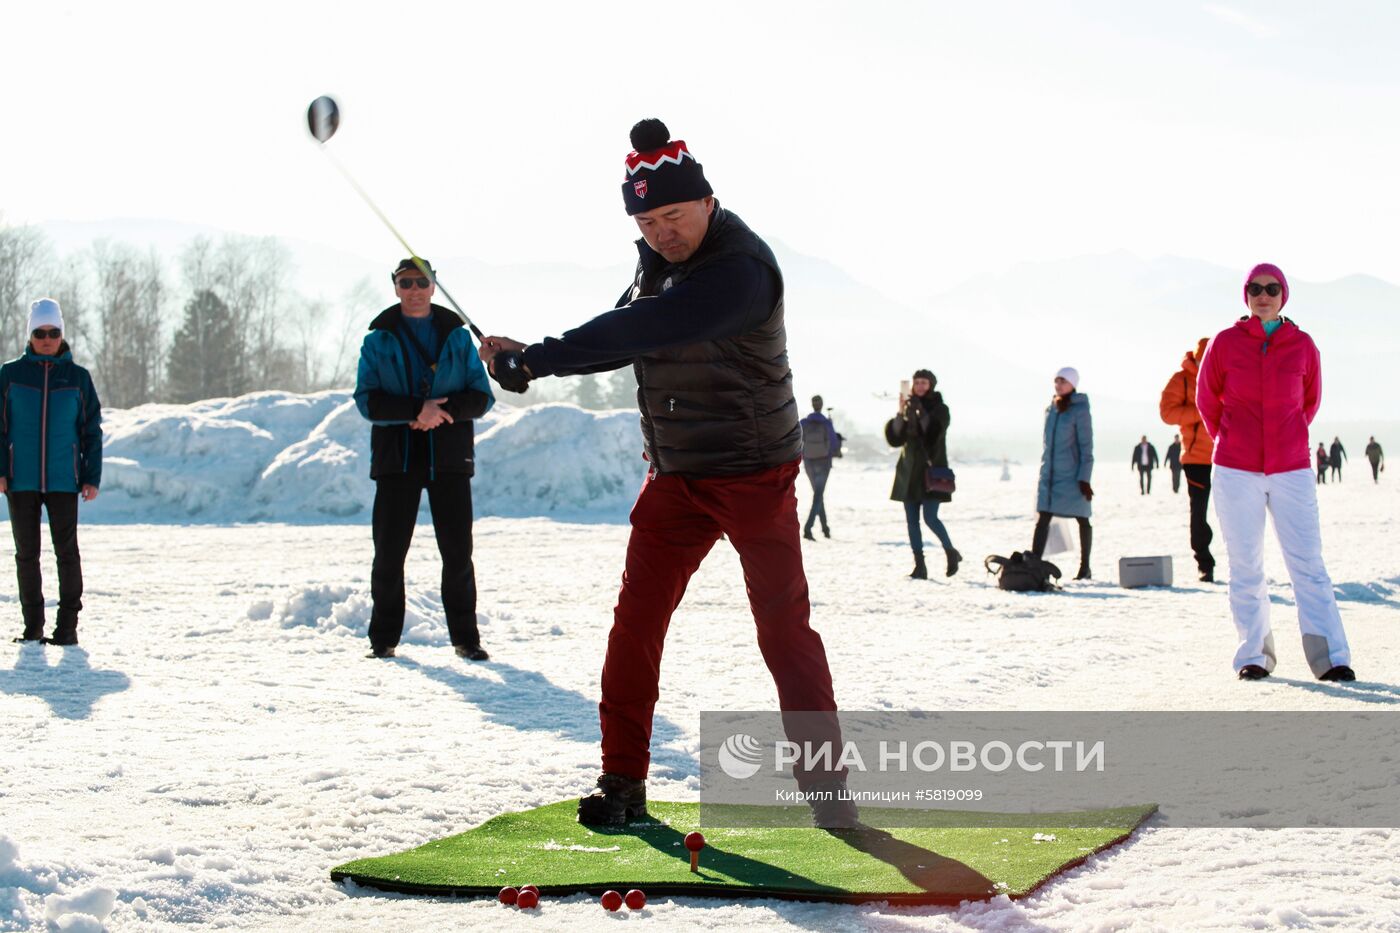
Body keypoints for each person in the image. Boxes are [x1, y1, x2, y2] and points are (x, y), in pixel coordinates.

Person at [477, 119, 853, 828]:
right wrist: (526, 355)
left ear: (708, 201)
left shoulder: (740, 270)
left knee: (782, 627)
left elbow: (644, 328)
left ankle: (828, 790)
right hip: (677, 475)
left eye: (673, 216)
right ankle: (622, 781)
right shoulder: (655, 265)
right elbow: (618, 332)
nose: (661, 233)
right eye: (647, 221)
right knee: (635, 623)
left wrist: (540, 359)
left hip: (752, 473)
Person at [1196, 263, 1354, 682]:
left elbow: (1309, 401)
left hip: (1291, 469)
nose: (1262, 295)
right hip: (1235, 469)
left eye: (1271, 288)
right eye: (1254, 288)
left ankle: (1331, 657)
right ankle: (1255, 655)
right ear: (1245, 295)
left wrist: (1287, 437)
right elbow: (1207, 400)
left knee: (1308, 563)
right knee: (1245, 563)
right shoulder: (1225, 344)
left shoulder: (1302, 345)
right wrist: (1230, 438)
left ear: (1284, 295)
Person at [353, 258, 495, 661]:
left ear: (434, 286)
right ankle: (383, 640)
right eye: (405, 282)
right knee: (389, 552)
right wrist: (417, 410)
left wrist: (438, 413)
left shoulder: (457, 338)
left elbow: (481, 397)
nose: (414, 289)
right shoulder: (376, 340)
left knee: (457, 552)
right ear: (395, 287)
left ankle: (466, 639)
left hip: (449, 458)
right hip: (396, 459)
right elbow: (369, 401)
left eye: (421, 282)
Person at [0, 299, 102, 646]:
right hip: (21, 479)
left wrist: (91, 476)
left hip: (63, 479)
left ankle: (67, 628)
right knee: (27, 555)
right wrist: (1, 469)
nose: (46, 338)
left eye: (53, 332)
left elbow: (91, 430)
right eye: (40, 332)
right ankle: (33, 629)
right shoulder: (10, 375)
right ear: (30, 335)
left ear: (62, 334)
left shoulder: (77, 378)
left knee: (66, 552)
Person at [885, 369, 961, 578]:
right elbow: (895, 439)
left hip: (931, 471)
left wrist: (922, 413)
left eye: (924, 382)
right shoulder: (908, 407)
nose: (919, 386)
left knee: (930, 518)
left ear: (931, 385)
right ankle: (920, 566)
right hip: (908, 472)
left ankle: (950, 551)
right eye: (916, 382)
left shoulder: (940, 408)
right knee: (911, 521)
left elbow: (934, 434)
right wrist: (901, 412)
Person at [1160, 339, 1217, 582]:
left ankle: (1244, 564)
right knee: (1199, 513)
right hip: (1197, 459)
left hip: (1230, 455)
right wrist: (1202, 411)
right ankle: (1204, 562)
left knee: (1237, 513)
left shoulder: (1224, 376)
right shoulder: (1181, 379)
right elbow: (1167, 412)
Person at [1030, 367, 1094, 580]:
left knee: (1082, 518)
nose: (1058, 385)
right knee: (1043, 518)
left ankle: (1085, 567)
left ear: (1073, 384)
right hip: (1050, 475)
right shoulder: (1051, 409)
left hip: (1073, 476)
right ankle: (1035, 563)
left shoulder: (1080, 409)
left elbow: (1086, 446)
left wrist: (1084, 478)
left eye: (1063, 381)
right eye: (1056, 381)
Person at [799, 395, 841, 540]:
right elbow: (834, 443)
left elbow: (797, 440)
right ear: (821, 406)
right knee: (818, 496)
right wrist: (835, 452)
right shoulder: (826, 423)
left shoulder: (804, 422)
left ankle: (825, 529)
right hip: (823, 463)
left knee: (818, 494)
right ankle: (807, 529)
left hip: (809, 462)